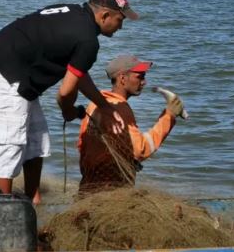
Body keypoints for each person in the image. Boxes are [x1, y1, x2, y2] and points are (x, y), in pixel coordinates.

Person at [0, 0, 138, 204]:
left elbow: (78, 75)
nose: (121, 27)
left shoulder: (73, 13)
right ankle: (0, 218)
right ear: (105, 15)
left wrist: (105, 106)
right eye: (121, 20)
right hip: (3, 74)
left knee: (37, 141)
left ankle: (33, 203)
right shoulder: (88, 40)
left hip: (11, 70)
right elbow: (65, 93)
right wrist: (69, 111)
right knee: (10, 147)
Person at [77, 55, 182, 193]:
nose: (144, 82)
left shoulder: (94, 104)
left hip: (88, 185)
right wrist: (169, 116)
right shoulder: (121, 109)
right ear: (122, 79)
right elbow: (140, 149)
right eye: (140, 77)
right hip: (112, 191)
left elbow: (81, 145)